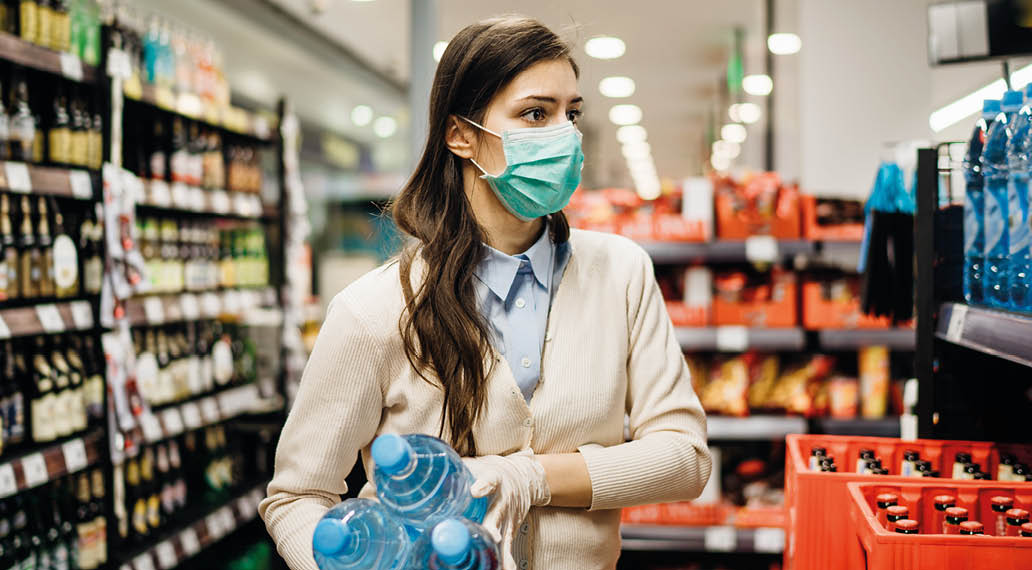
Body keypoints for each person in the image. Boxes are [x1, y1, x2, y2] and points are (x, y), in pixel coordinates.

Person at [259, 15, 710, 570]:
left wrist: (531, 476)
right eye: (535, 114)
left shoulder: (621, 275)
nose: (564, 135)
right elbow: (297, 495)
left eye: (571, 114)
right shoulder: (374, 310)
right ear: (461, 134)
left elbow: (684, 457)